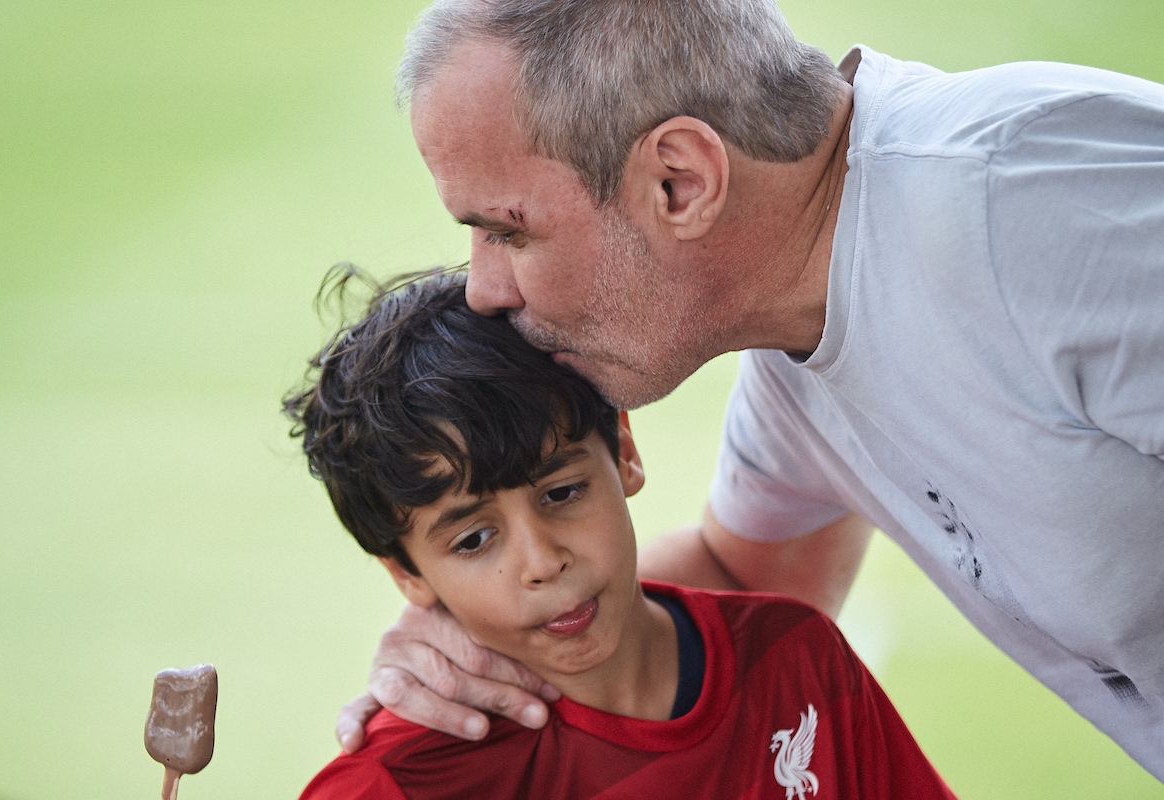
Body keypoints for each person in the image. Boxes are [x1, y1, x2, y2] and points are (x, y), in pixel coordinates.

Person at [340, 0, 1164, 780]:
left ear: (681, 182)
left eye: (508, 229)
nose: (485, 287)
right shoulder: (796, 341)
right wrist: (466, 640)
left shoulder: (1036, 204)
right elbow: (736, 583)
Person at [285, 267, 957, 799]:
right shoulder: (394, 783)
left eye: (561, 493)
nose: (542, 561)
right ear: (406, 575)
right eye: (473, 541)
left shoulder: (798, 660)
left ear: (624, 452)